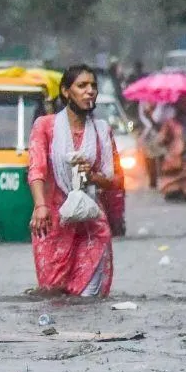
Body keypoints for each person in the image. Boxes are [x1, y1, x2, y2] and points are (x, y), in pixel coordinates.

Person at [27, 65, 123, 297]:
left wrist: (92, 176)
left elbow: (116, 179)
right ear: (66, 91)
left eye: (93, 86)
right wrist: (40, 206)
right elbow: (36, 169)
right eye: (82, 86)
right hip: (53, 219)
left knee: (88, 297)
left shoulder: (102, 130)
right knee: (53, 293)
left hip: (91, 222)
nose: (90, 91)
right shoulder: (45, 126)